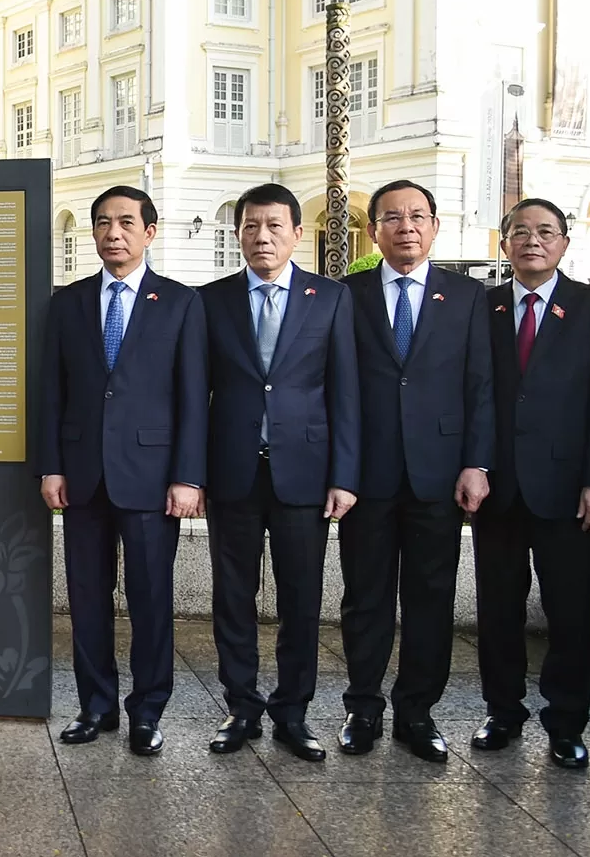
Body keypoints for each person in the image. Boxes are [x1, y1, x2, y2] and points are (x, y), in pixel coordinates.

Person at [40, 185, 206, 757]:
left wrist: (188, 476)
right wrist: (51, 467)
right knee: (86, 596)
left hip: (152, 477)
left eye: (127, 223)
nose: (115, 233)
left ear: (149, 232)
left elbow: (192, 397)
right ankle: (96, 705)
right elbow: (51, 393)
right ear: (93, 234)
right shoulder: (67, 302)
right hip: (82, 476)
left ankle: (148, 710)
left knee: (151, 598)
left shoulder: (181, 303)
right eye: (104, 223)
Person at [199, 184, 359, 761]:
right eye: (249, 227)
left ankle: (293, 712)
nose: (261, 237)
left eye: (273, 226)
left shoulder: (331, 298)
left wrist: (345, 475)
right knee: (233, 598)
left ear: (296, 232)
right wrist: (193, 475)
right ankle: (240, 707)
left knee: (301, 599)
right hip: (232, 473)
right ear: (238, 234)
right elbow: (197, 396)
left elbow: (345, 392)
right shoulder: (210, 300)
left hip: (305, 475)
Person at [337, 180, 494, 763]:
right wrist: (341, 470)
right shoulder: (344, 295)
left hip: (439, 473)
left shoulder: (468, 296)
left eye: (418, 216)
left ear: (434, 226)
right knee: (365, 597)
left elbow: (481, 386)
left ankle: (417, 711)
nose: (406, 226)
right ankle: (362, 706)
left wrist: (476, 463)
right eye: (392, 217)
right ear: (374, 229)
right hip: (367, 477)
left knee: (431, 597)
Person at [473, 198, 590, 769]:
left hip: (569, 492)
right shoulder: (481, 308)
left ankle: (566, 722)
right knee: (499, 609)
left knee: (569, 612)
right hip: (498, 490)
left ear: (564, 242)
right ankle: (502, 712)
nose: (532, 241)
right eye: (520, 231)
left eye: (546, 232)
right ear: (503, 241)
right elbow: (474, 395)